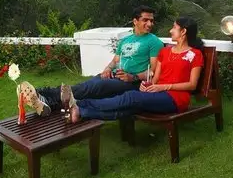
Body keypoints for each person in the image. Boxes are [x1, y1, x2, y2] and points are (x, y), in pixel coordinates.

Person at [20, 5, 165, 116]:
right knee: (85, 86)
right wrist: (108, 68)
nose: (150, 24)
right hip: (115, 75)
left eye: (151, 20)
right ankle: (48, 102)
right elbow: (115, 60)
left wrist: (132, 77)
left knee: (93, 88)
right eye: (145, 20)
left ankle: (43, 94)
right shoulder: (126, 40)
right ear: (135, 21)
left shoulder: (154, 42)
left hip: (133, 83)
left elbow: (153, 72)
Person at [62, 16, 205, 123]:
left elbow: (192, 85)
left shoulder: (195, 55)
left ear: (183, 31)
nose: (170, 30)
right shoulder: (165, 52)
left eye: (174, 27)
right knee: (128, 109)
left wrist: (163, 87)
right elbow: (155, 77)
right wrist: (148, 85)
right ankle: (81, 112)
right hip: (158, 92)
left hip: (176, 98)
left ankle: (80, 104)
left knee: (130, 97)